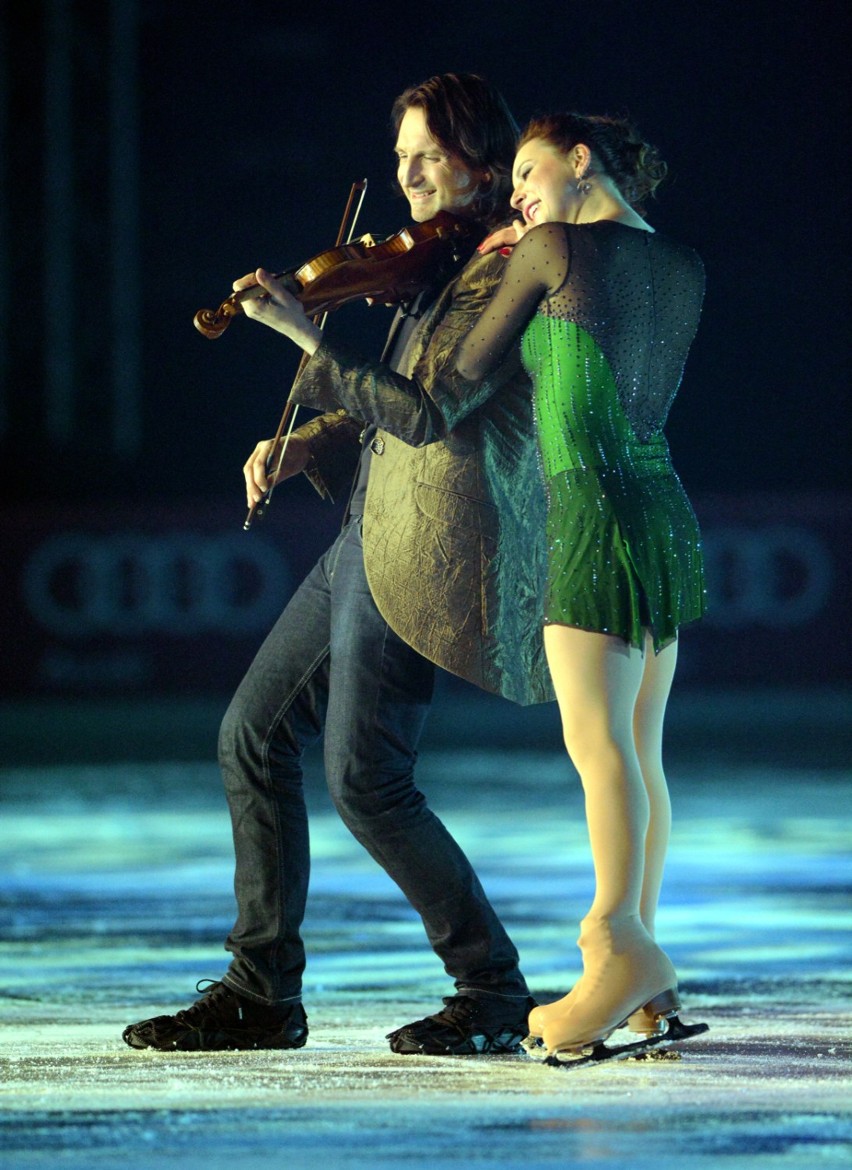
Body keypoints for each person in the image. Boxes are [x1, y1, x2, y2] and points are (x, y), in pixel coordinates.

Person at [122, 74, 553, 1057]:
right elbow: (379, 408)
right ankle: (262, 991)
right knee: (250, 736)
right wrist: (310, 441)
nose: (405, 179)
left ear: (479, 161)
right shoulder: (431, 266)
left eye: (426, 159)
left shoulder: (502, 271)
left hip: (427, 543)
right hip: (367, 525)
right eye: (399, 158)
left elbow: (427, 410)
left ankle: (491, 989)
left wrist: (306, 338)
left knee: (367, 779)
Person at [448, 113, 707, 1059]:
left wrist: (311, 341)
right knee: (641, 747)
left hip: (592, 510)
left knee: (599, 744)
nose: (515, 190)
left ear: (580, 162)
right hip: (660, 508)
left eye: (527, 170)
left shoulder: (550, 247)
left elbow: (454, 385)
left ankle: (617, 950)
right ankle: (644, 971)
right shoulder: (683, 265)